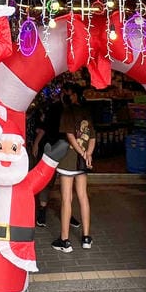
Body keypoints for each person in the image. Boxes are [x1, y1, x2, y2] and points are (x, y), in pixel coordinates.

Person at [51, 85, 94, 252]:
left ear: (74, 95)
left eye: (68, 93)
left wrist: (82, 153)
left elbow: (69, 135)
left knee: (66, 199)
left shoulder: (67, 112)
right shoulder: (87, 111)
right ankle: (86, 238)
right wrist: (87, 154)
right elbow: (92, 137)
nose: (66, 95)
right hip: (82, 162)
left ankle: (65, 241)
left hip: (69, 160)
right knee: (83, 197)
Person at [32, 87, 64, 227]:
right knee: (57, 180)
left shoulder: (52, 108)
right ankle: (61, 211)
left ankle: (43, 210)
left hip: (49, 148)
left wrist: (36, 143)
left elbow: (43, 129)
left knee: (46, 178)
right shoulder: (60, 108)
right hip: (60, 147)